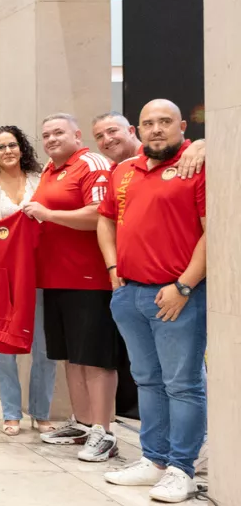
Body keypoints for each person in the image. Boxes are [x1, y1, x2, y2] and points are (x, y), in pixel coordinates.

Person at [98, 100, 207, 503]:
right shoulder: (124, 171)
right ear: (137, 130)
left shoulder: (196, 166)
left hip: (178, 296)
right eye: (148, 123)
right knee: (147, 380)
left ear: (181, 126)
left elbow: (212, 232)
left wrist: (183, 287)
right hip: (130, 295)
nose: (156, 129)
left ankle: (183, 468)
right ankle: (154, 460)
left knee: (183, 385)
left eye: (164, 122)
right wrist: (113, 271)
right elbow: (105, 220)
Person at [21, 113, 122, 462]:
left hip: (90, 279)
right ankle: (82, 423)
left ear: (77, 135)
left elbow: (101, 214)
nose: (51, 139)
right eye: (46, 134)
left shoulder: (91, 163)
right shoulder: (50, 170)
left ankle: (105, 432)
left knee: (95, 358)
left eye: (58, 133)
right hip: (55, 279)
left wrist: (48, 215)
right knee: (71, 356)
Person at [0, 126, 57, 436]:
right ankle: (10, 412)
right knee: (4, 346)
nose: (8, 151)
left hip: (42, 271)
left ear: (22, 148)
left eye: (12, 145)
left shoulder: (42, 179)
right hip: (3, 277)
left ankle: (41, 412)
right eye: (1, 147)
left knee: (44, 348)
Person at [91, 112, 205, 176]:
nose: (107, 140)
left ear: (131, 131)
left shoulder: (160, 155)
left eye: (112, 131)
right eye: (99, 136)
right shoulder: (114, 171)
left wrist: (202, 144)